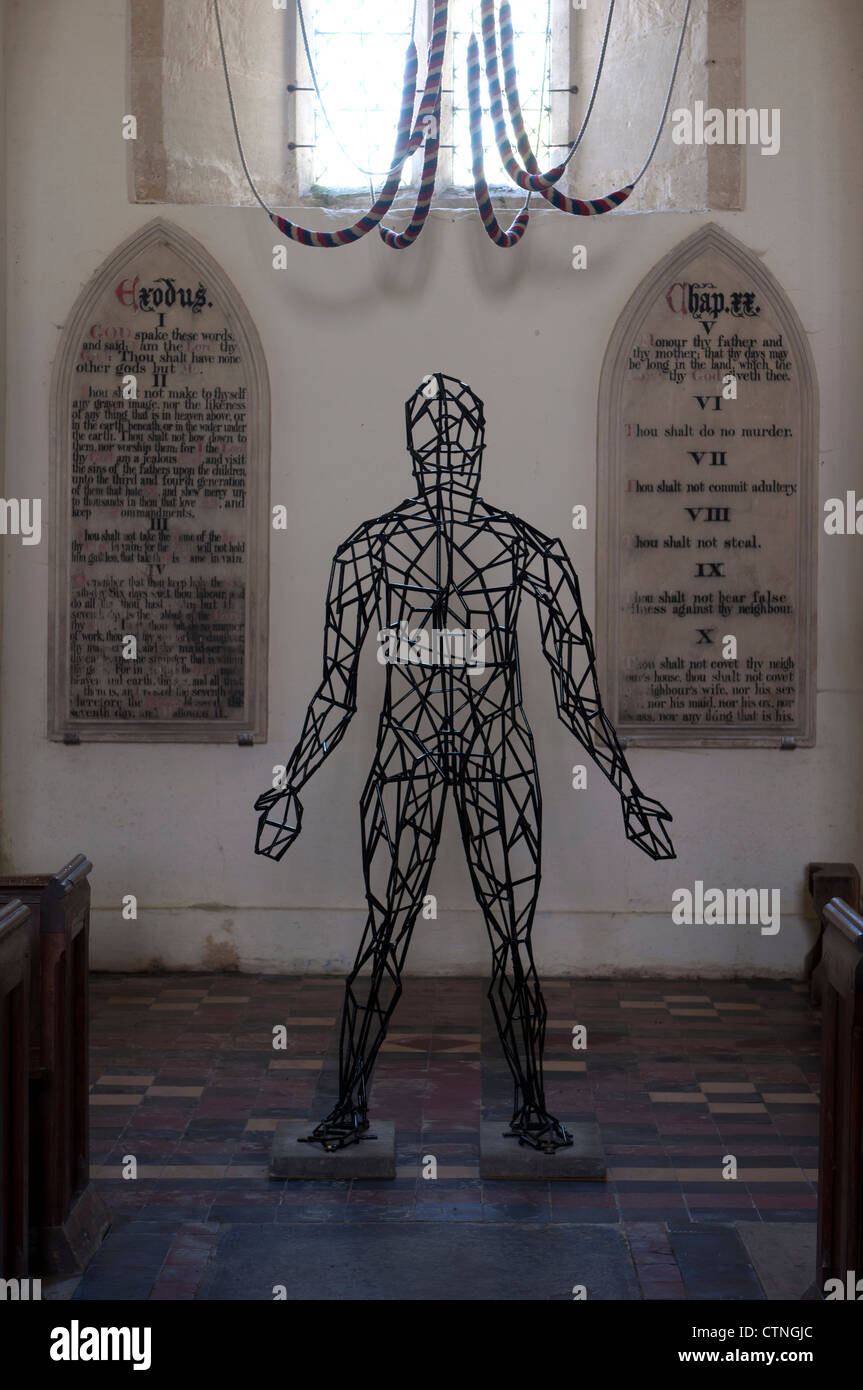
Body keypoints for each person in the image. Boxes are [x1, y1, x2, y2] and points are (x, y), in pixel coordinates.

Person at [254, 373, 674, 1153]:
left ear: (479, 447)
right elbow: (336, 694)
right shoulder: (367, 552)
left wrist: (628, 791)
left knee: (512, 943)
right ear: (412, 450)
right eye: (431, 438)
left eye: (457, 437)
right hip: (404, 759)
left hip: (497, 760)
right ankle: (348, 1106)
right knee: (382, 935)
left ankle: (531, 1107)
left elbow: (577, 696)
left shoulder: (528, 552)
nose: (445, 452)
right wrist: (289, 787)